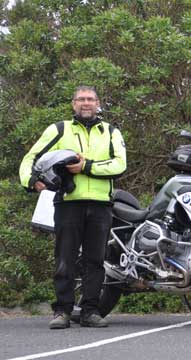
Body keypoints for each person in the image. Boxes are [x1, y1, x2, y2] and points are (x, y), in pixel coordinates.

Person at [19, 86, 127, 329]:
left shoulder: (111, 132)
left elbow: (120, 164)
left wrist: (86, 167)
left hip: (100, 204)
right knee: (65, 258)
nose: (85, 103)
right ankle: (62, 311)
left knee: (95, 260)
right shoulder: (59, 129)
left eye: (90, 99)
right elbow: (31, 158)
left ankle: (90, 311)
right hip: (68, 203)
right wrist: (30, 181)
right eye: (81, 99)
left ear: (98, 103)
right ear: (73, 104)